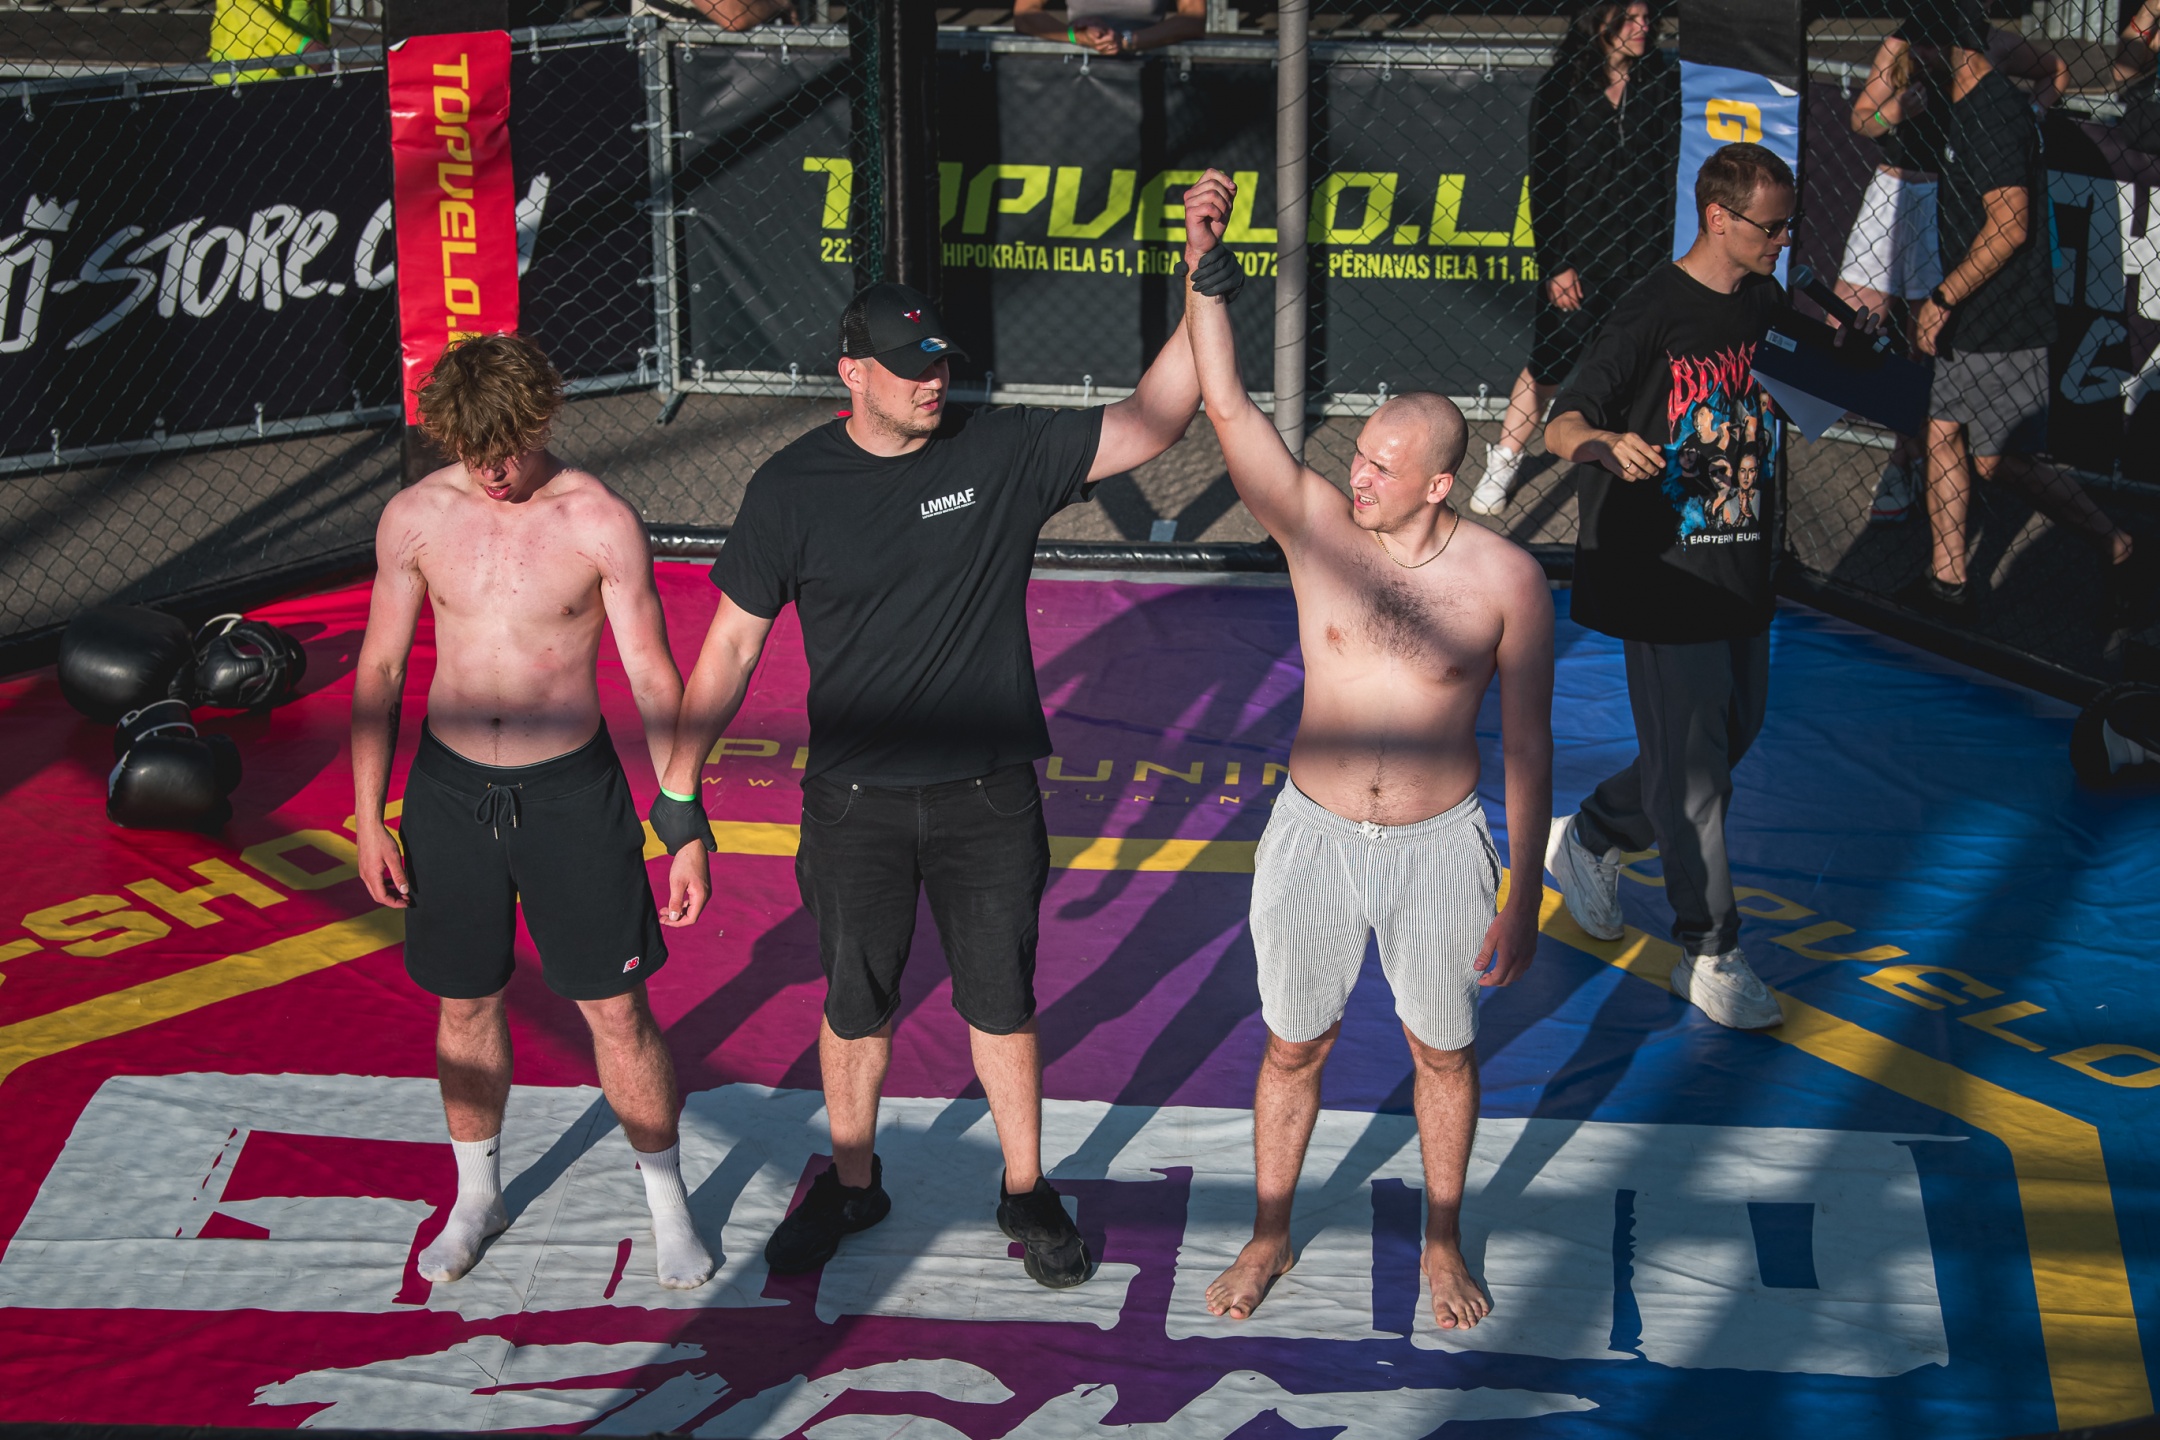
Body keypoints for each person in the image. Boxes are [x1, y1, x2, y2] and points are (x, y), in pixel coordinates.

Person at [652, 262, 1214, 1288]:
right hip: (853, 804)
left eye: (940, 363)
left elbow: (1155, 420)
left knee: (1002, 1001)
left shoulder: (999, 449)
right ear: (852, 373)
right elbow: (730, 647)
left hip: (988, 797)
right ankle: (853, 1184)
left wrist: (1197, 288)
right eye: (910, 367)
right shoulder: (790, 488)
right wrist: (680, 793)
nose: (933, 382)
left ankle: (1026, 1188)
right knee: (854, 1006)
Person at [1175, 171, 1555, 1330]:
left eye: (1386, 465)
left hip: (1443, 844)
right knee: (1295, 1047)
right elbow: (1229, 409)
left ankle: (1442, 1241)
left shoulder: (1507, 581)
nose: (1360, 473)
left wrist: (1523, 892)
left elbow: (1528, 742)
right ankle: (1270, 1232)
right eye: (1360, 453)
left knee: (1444, 1055)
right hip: (1313, 835)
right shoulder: (1319, 534)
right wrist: (1203, 264)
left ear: (1440, 483)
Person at [350, 333, 714, 1292]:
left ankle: (667, 1203)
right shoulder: (416, 517)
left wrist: (684, 823)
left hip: (570, 798)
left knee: (617, 1010)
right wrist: (366, 815)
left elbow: (654, 678)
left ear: (542, 418)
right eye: (474, 451)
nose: (493, 471)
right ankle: (478, 1196)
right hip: (448, 795)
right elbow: (380, 670)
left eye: (506, 447)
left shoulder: (599, 521)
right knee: (465, 1002)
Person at [1542, 142, 1824, 1032]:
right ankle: (1708, 950)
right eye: (1770, 226)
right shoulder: (1652, 311)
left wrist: (1851, 354)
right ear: (1718, 218)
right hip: (1663, 571)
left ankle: (1595, 833)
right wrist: (1600, 444)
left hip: (1740, 564)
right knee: (1697, 772)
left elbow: (1805, 386)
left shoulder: (1764, 299)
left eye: (1787, 224)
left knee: (1730, 735)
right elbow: (1563, 421)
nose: (1782, 238)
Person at [1904, 8, 2146, 624]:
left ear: (1943, 46)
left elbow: (2010, 226)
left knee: (1997, 459)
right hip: (1971, 308)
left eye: (1913, 43)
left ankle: (2119, 546)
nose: (1905, 55)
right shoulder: (1969, 103)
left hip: (2001, 313)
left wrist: (1943, 298)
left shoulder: (1991, 112)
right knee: (1942, 432)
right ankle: (1948, 581)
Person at [1837, 21, 2065, 526]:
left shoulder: (1990, 45)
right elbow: (1861, 120)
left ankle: (1905, 458)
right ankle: (1911, 452)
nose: (1923, 49)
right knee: (1844, 326)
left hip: (1944, 200)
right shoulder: (1899, 43)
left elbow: (2057, 70)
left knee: (1924, 349)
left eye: (1932, 40)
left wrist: (2032, 115)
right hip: (1892, 191)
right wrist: (1896, 112)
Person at [1472, 0, 1679, 516]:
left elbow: (1670, 172)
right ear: (1599, 22)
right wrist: (1556, 264)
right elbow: (1544, 184)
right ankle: (1504, 460)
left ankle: (1637, 471)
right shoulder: (1561, 88)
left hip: (1645, 255)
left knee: (1641, 368)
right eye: (1629, 18)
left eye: (1647, 18)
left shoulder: (1661, 81)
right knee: (1549, 364)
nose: (1642, 27)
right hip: (1579, 258)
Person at [1012, 0, 1205, 57]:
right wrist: (1077, 36)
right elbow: (1024, 14)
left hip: (1150, 74)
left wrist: (1126, 40)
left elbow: (1193, 19)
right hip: (1078, 76)